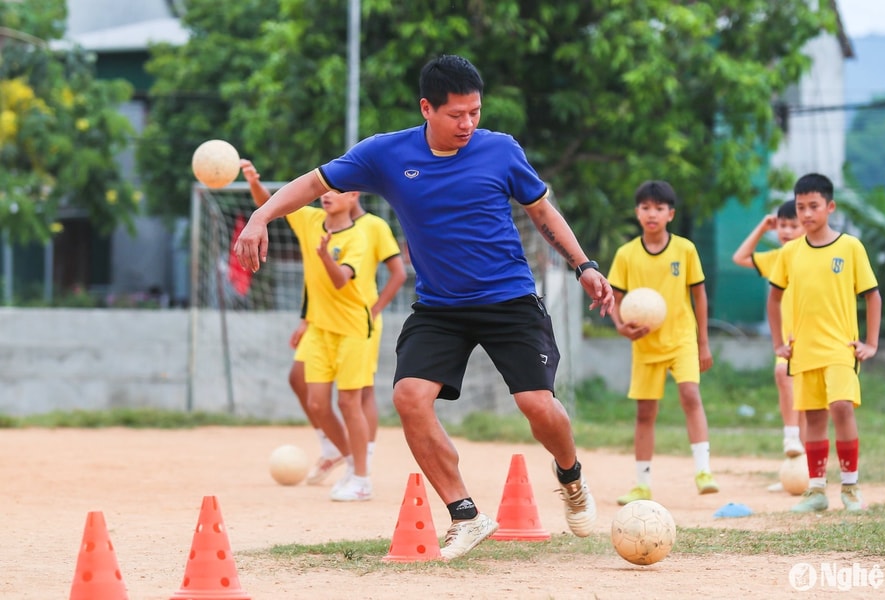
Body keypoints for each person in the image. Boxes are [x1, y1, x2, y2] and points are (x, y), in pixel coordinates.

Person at [233, 54, 615, 559]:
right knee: (410, 397)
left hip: (509, 300)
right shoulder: (386, 154)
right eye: (456, 114)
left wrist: (584, 265)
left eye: (475, 112)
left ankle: (570, 476)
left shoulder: (500, 151)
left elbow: (541, 210)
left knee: (537, 405)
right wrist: (260, 215)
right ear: (426, 109)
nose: (468, 124)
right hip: (440, 307)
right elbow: (314, 182)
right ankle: (465, 514)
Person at [241, 159, 407, 488]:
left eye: (336, 189)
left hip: (356, 323)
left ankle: (362, 465)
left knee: (358, 396)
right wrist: (254, 184)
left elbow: (394, 274)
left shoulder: (367, 230)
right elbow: (272, 206)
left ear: (355, 194)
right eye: (325, 189)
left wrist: (375, 309)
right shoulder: (312, 221)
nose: (327, 194)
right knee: (311, 390)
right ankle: (342, 453)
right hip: (320, 323)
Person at [767, 173, 881, 513]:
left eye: (813, 206)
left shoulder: (850, 247)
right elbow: (774, 299)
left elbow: (873, 296)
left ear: (830, 207)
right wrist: (778, 342)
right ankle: (816, 491)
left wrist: (871, 343)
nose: (806, 213)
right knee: (814, 418)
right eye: (800, 207)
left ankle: (850, 487)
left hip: (840, 348)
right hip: (803, 351)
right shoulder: (789, 252)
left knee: (842, 407)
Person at [607, 180, 719, 506]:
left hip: (682, 338)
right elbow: (614, 298)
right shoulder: (626, 254)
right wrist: (620, 326)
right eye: (645, 207)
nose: (651, 213)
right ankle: (642, 484)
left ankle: (703, 471)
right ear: (637, 213)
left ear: (670, 214)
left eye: (658, 208)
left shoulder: (685, 250)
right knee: (645, 413)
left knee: (690, 394)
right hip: (645, 345)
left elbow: (699, 296)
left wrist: (703, 343)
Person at [732, 200, 806, 468]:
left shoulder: (814, 255)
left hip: (816, 338)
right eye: (782, 225)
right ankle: (790, 437)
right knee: (782, 374)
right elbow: (739, 258)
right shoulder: (778, 258)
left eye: (792, 225)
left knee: (808, 408)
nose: (785, 231)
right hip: (788, 340)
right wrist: (763, 227)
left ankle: (807, 472)